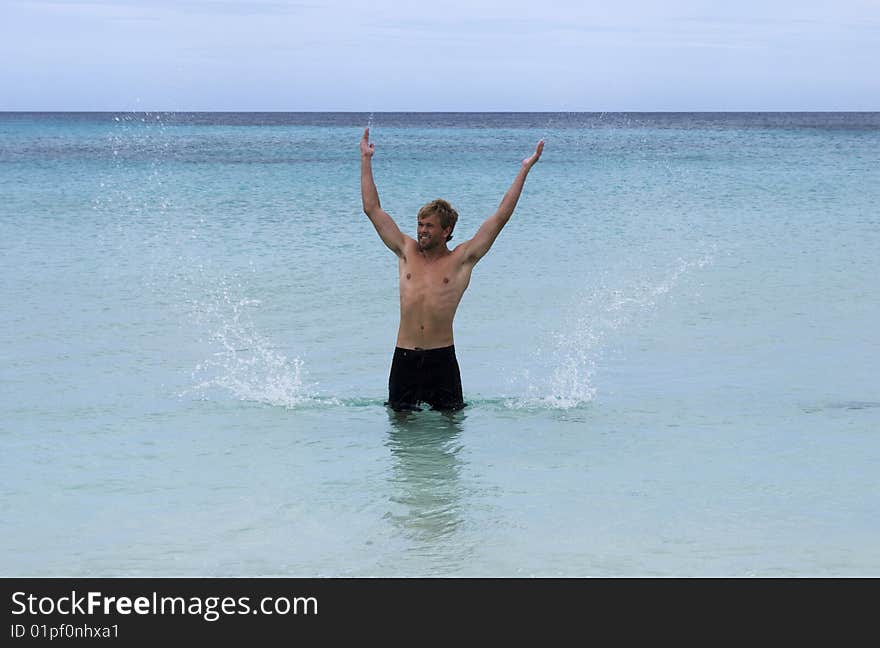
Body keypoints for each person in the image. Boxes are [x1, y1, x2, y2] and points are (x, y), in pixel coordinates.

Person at [360, 127, 543, 412]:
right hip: (404, 358)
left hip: (442, 359)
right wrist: (366, 159)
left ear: (446, 231)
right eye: (420, 225)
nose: (421, 231)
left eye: (429, 226)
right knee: (400, 437)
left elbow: (500, 217)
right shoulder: (406, 252)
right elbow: (372, 208)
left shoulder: (461, 260)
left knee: (449, 435)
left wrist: (524, 169)